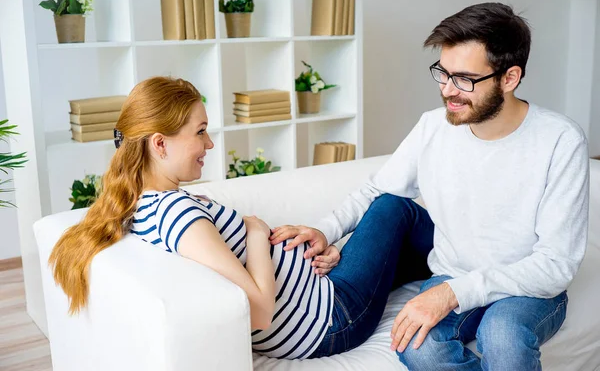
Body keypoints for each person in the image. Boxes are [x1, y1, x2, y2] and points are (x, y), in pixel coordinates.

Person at [270, 2, 589, 369]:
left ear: (509, 78)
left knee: (503, 335)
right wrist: (325, 230)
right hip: (452, 272)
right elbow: (378, 190)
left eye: (465, 79)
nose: (449, 91)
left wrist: (452, 294)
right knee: (418, 345)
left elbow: (556, 264)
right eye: (443, 73)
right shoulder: (433, 127)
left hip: (526, 287)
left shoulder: (560, 140)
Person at [48, 76, 434, 360]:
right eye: (200, 132)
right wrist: (255, 231)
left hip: (317, 295)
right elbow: (260, 311)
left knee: (400, 248)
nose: (210, 144)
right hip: (333, 318)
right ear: (160, 144)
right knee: (392, 206)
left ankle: (447, 267)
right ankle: (464, 258)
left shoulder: (144, 202)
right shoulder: (177, 213)